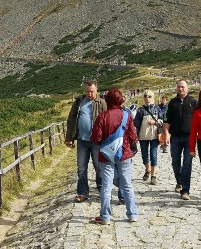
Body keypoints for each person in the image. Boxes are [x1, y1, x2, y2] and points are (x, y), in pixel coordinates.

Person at [90, 88, 139, 223]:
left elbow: (96, 138)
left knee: (106, 185)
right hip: (124, 153)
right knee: (127, 184)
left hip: (106, 154)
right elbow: (133, 135)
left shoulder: (102, 116)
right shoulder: (127, 115)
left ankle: (105, 216)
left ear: (107, 101)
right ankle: (132, 214)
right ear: (121, 100)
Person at [65, 79, 107, 203]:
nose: (90, 94)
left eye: (92, 91)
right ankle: (82, 193)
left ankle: (102, 190)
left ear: (96, 90)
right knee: (81, 168)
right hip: (82, 141)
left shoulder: (102, 103)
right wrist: (69, 137)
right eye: (88, 91)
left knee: (99, 167)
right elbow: (71, 119)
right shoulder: (79, 102)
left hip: (97, 142)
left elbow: (107, 121)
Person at [162, 79, 197, 200]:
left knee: (187, 164)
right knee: (175, 163)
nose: (180, 89)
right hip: (175, 137)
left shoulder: (194, 102)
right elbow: (166, 120)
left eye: (183, 87)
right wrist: (166, 134)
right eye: (179, 87)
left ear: (188, 88)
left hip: (189, 138)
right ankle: (179, 181)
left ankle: (185, 190)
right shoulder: (172, 103)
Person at [133, 89, 162, 185]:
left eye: (149, 96)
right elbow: (136, 123)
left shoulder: (157, 108)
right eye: (145, 96)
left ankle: (153, 176)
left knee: (153, 155)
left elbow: (162, 119)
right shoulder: (140, 110)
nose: (147, 98)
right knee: (144, 155)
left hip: (154, 135)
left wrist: (155, 122)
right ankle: (147, 169)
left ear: (152, 97)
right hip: (143, 136)